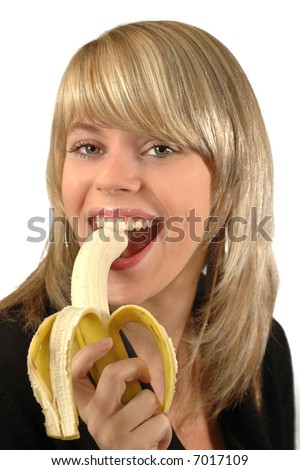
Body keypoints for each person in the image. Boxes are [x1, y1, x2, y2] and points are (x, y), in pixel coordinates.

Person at [0, 20, 295, 450]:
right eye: (88, 147)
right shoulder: (7, 369)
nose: (113, 178)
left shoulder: (264, 352)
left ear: (230, 181)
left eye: (160, 147)